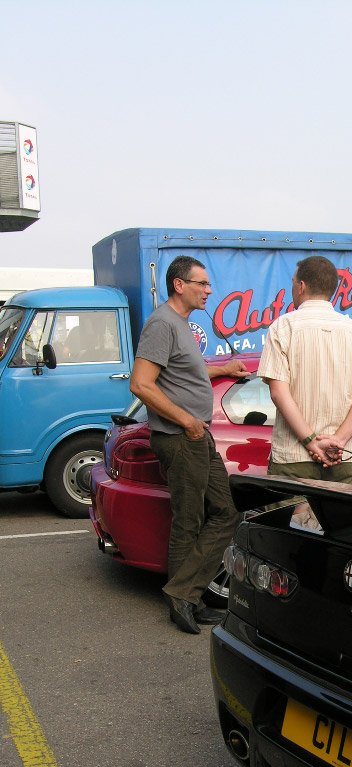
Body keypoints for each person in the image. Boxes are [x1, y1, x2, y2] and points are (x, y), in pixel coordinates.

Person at [129, 255, 249, 635]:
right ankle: (183, 600)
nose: (209, 291)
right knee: (189, 519)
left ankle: (186, 594)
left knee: (225, 513)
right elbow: (141, 384)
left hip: (196, 434)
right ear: (179, 285)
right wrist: (186, 421)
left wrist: (223, 370)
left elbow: (185, 370)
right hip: (182, 436)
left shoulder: (181, 325)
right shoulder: (163, 324)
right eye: (202, 284)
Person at [258, 255, 352, 485]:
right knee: (341, 521)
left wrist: (311, 442)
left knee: (288, 522)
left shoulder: (283, 327)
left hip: (292, 459)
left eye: (293, 284)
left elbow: (279, 392)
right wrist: (339, 440)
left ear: (301, 286)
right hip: (343, 458)